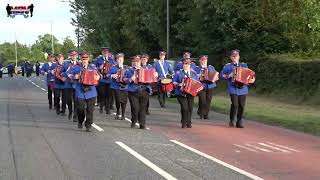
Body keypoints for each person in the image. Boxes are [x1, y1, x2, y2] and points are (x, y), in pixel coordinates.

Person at [220, 49, 255, 128]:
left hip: (243, 89)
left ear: (239, 57)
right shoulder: (227, 66)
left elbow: (250, 75)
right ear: (231, 57)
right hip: (233, 88)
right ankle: (232, 120)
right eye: (233, 56)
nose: (235, 57)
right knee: (235, 104)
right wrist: (229, 75)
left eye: (236, 56)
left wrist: (252, 79)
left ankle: (239, 122)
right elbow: (221, 75)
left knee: (242, 106)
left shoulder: (244, 65)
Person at [68, 53, 100, 132]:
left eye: (86, 59)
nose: (85, 61)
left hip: (91, 91)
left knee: (90, 110)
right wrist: (75, 76)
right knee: (81, 109)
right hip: (80, 91)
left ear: (88, 60)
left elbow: (100, 75)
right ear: (81, 60)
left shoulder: (93, 67)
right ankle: (80, 120)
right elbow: (67, 74)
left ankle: (88, 125)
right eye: (83, 59)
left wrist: (98, 77)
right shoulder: (76, 68)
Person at [125, 55, 156, 129]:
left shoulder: (146, 70)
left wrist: (155, 75)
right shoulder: (129, 70)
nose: (136, 63)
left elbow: (152, 80)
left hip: (144, 91)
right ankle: (134, 121)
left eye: (138, 62)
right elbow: (124, 79)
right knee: (135, 108)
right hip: (133, 91)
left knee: (142, 108)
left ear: (140, 62)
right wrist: (130, 79)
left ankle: (142, 124)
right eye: (135, 62)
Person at [173, 58, 200, 128]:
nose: (186, 65)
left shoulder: (193, 73)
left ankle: (188, 122)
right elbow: (174, 82)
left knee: (190, 108)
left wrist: (197, 87)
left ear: (190, 65)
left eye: (188, 64)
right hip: (180, 93)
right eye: (185, 64)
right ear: (183, 64)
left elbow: (198, 82)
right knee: (185, 108)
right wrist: (178, 84)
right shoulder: (178, 73)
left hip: (190, 93)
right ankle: (184, 122)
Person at [195, 55, 218, 120]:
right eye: (202, 60)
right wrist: (198, 75)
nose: (203, 61)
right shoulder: (197, 68)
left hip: (210, 85)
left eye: (205, 60)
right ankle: (201, 114)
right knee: (202, 100)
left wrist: (215, 78)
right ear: (199, 60)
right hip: (201, 86)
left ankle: (206, 114)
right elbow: (193, 76)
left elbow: (216, 75)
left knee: (208, 100)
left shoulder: (211, 67)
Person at [95, 47, 116, 115]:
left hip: (109, 80)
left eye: (106, 52)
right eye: (104, 52)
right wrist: (99, 67)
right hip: (102, 80)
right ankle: (101, 107)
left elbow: (114, 68)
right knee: (102, 94)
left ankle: (107, 109)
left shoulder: (111, 60)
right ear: (102, 53)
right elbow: (94, 68)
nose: (105, 53)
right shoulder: (98, 60)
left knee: (108, 95)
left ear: (108, 53)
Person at [108, 53, 128, 120]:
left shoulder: (126, 68)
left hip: (125, 86)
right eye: (119, 59)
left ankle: (123, 113)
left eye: (121, 59)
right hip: (116, 86)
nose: (120, 61)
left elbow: (130, 75)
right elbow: (108, 74)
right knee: (118, 100)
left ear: (123, 60)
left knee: (124, 100)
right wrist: (112, 75)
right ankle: (118, 111)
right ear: (116, 60)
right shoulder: (113, 67)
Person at [63, 50, 79, 121]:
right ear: (70, 56)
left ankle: (75, 114)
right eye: (72, 55)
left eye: (75, 55)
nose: (73, 56)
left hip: (76, 85)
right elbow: (62, 72)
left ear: (77, 56)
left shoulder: (79, 64)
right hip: (68, 85)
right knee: (68, 100)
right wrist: (67, 74)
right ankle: (70, 111)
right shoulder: (66, 64)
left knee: (76, 100)